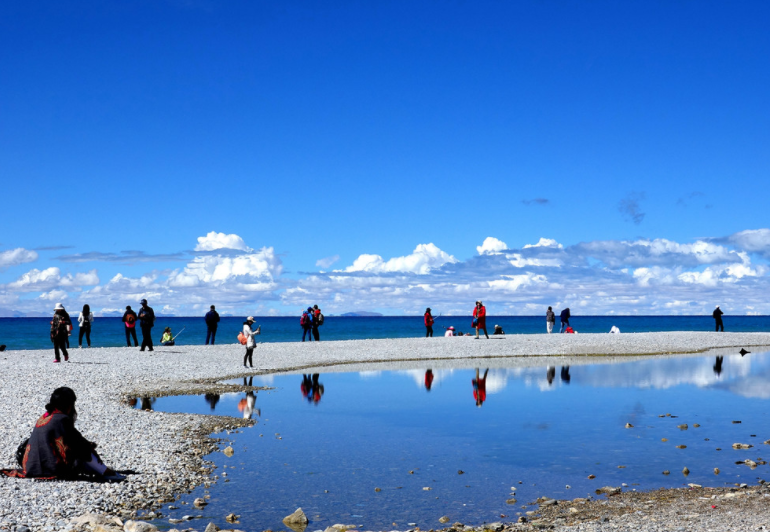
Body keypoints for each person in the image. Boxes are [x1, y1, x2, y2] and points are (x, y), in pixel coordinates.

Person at [2, 387, 123, 480]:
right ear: (69, 405)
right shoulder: (62, 419)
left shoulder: (45, 416)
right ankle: (105, 472)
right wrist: (89, 446)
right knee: (83, 450)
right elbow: (78, 444)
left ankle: (101, 470)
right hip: (50, 469)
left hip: (31, 467)